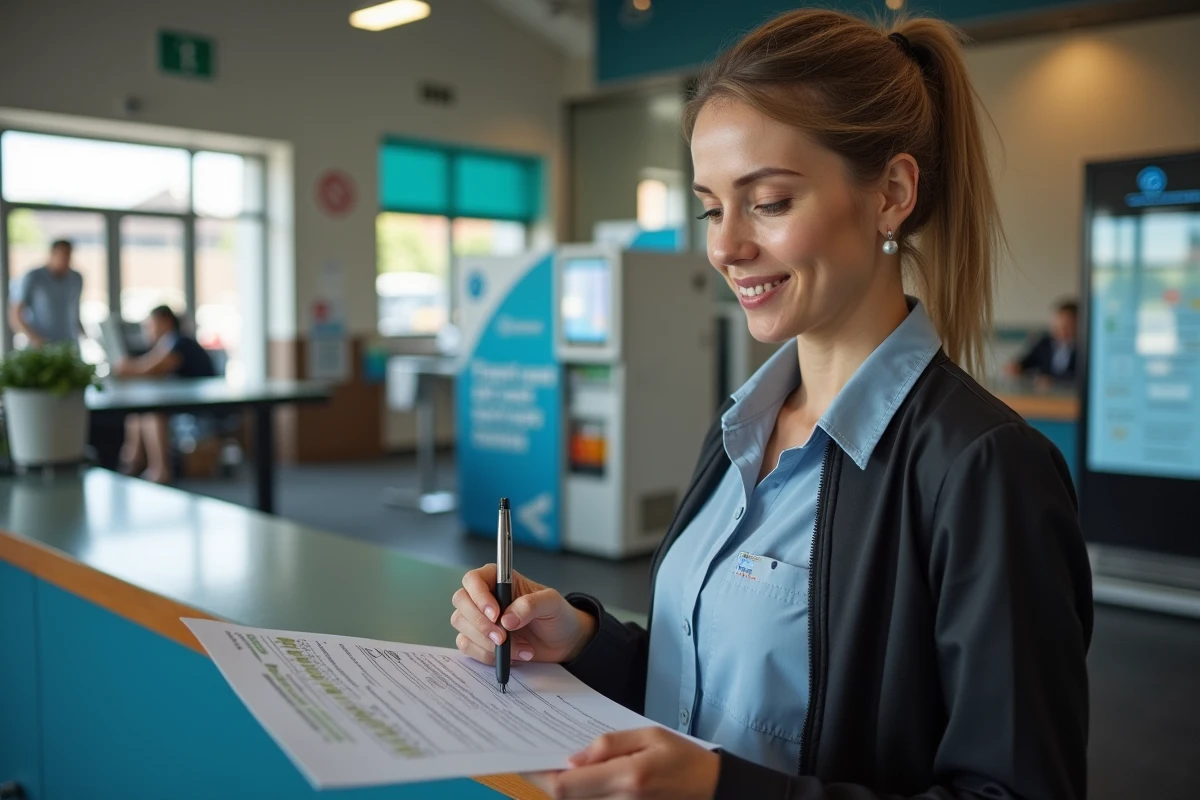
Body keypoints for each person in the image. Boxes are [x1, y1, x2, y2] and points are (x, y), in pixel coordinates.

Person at [451, 9, 1092, 800]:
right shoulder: (740, 429)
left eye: (770, 201)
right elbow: (712, 684)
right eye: (713, 208)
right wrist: (582, 640)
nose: (725, 247)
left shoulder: (985, 471)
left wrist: (725, 792)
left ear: (891, 193)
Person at [115, 305, 215, 484]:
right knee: (138, 410)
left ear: (166, 322)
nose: (148, 331)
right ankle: (132, 462)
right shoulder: (166, 343)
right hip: (185, 403)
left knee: (152, 412)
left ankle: (160, 471)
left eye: (150, 325)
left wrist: (126, 368)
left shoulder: (180, 343)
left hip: (203, 407)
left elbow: (151, 369)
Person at [7, 239, 84, 348]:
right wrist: (34, 338)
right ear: (52, 254)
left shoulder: (76, 278)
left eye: (68, 256)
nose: (65, 260)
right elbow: (16, 313)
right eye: (62, 255)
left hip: (69, 344)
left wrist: (84, 335)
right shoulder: (34, 277)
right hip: (41, 346)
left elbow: (75, 311)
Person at [1007, 299, 1079, 385]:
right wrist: (1017, 366)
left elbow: (1079, 376)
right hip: (1045, 395)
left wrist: (1054, 380)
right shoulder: (1045, 343)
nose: (1062, 330)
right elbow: (1027, 361)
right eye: (1058, 325)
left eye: (1067, 326)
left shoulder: (1086, 349)